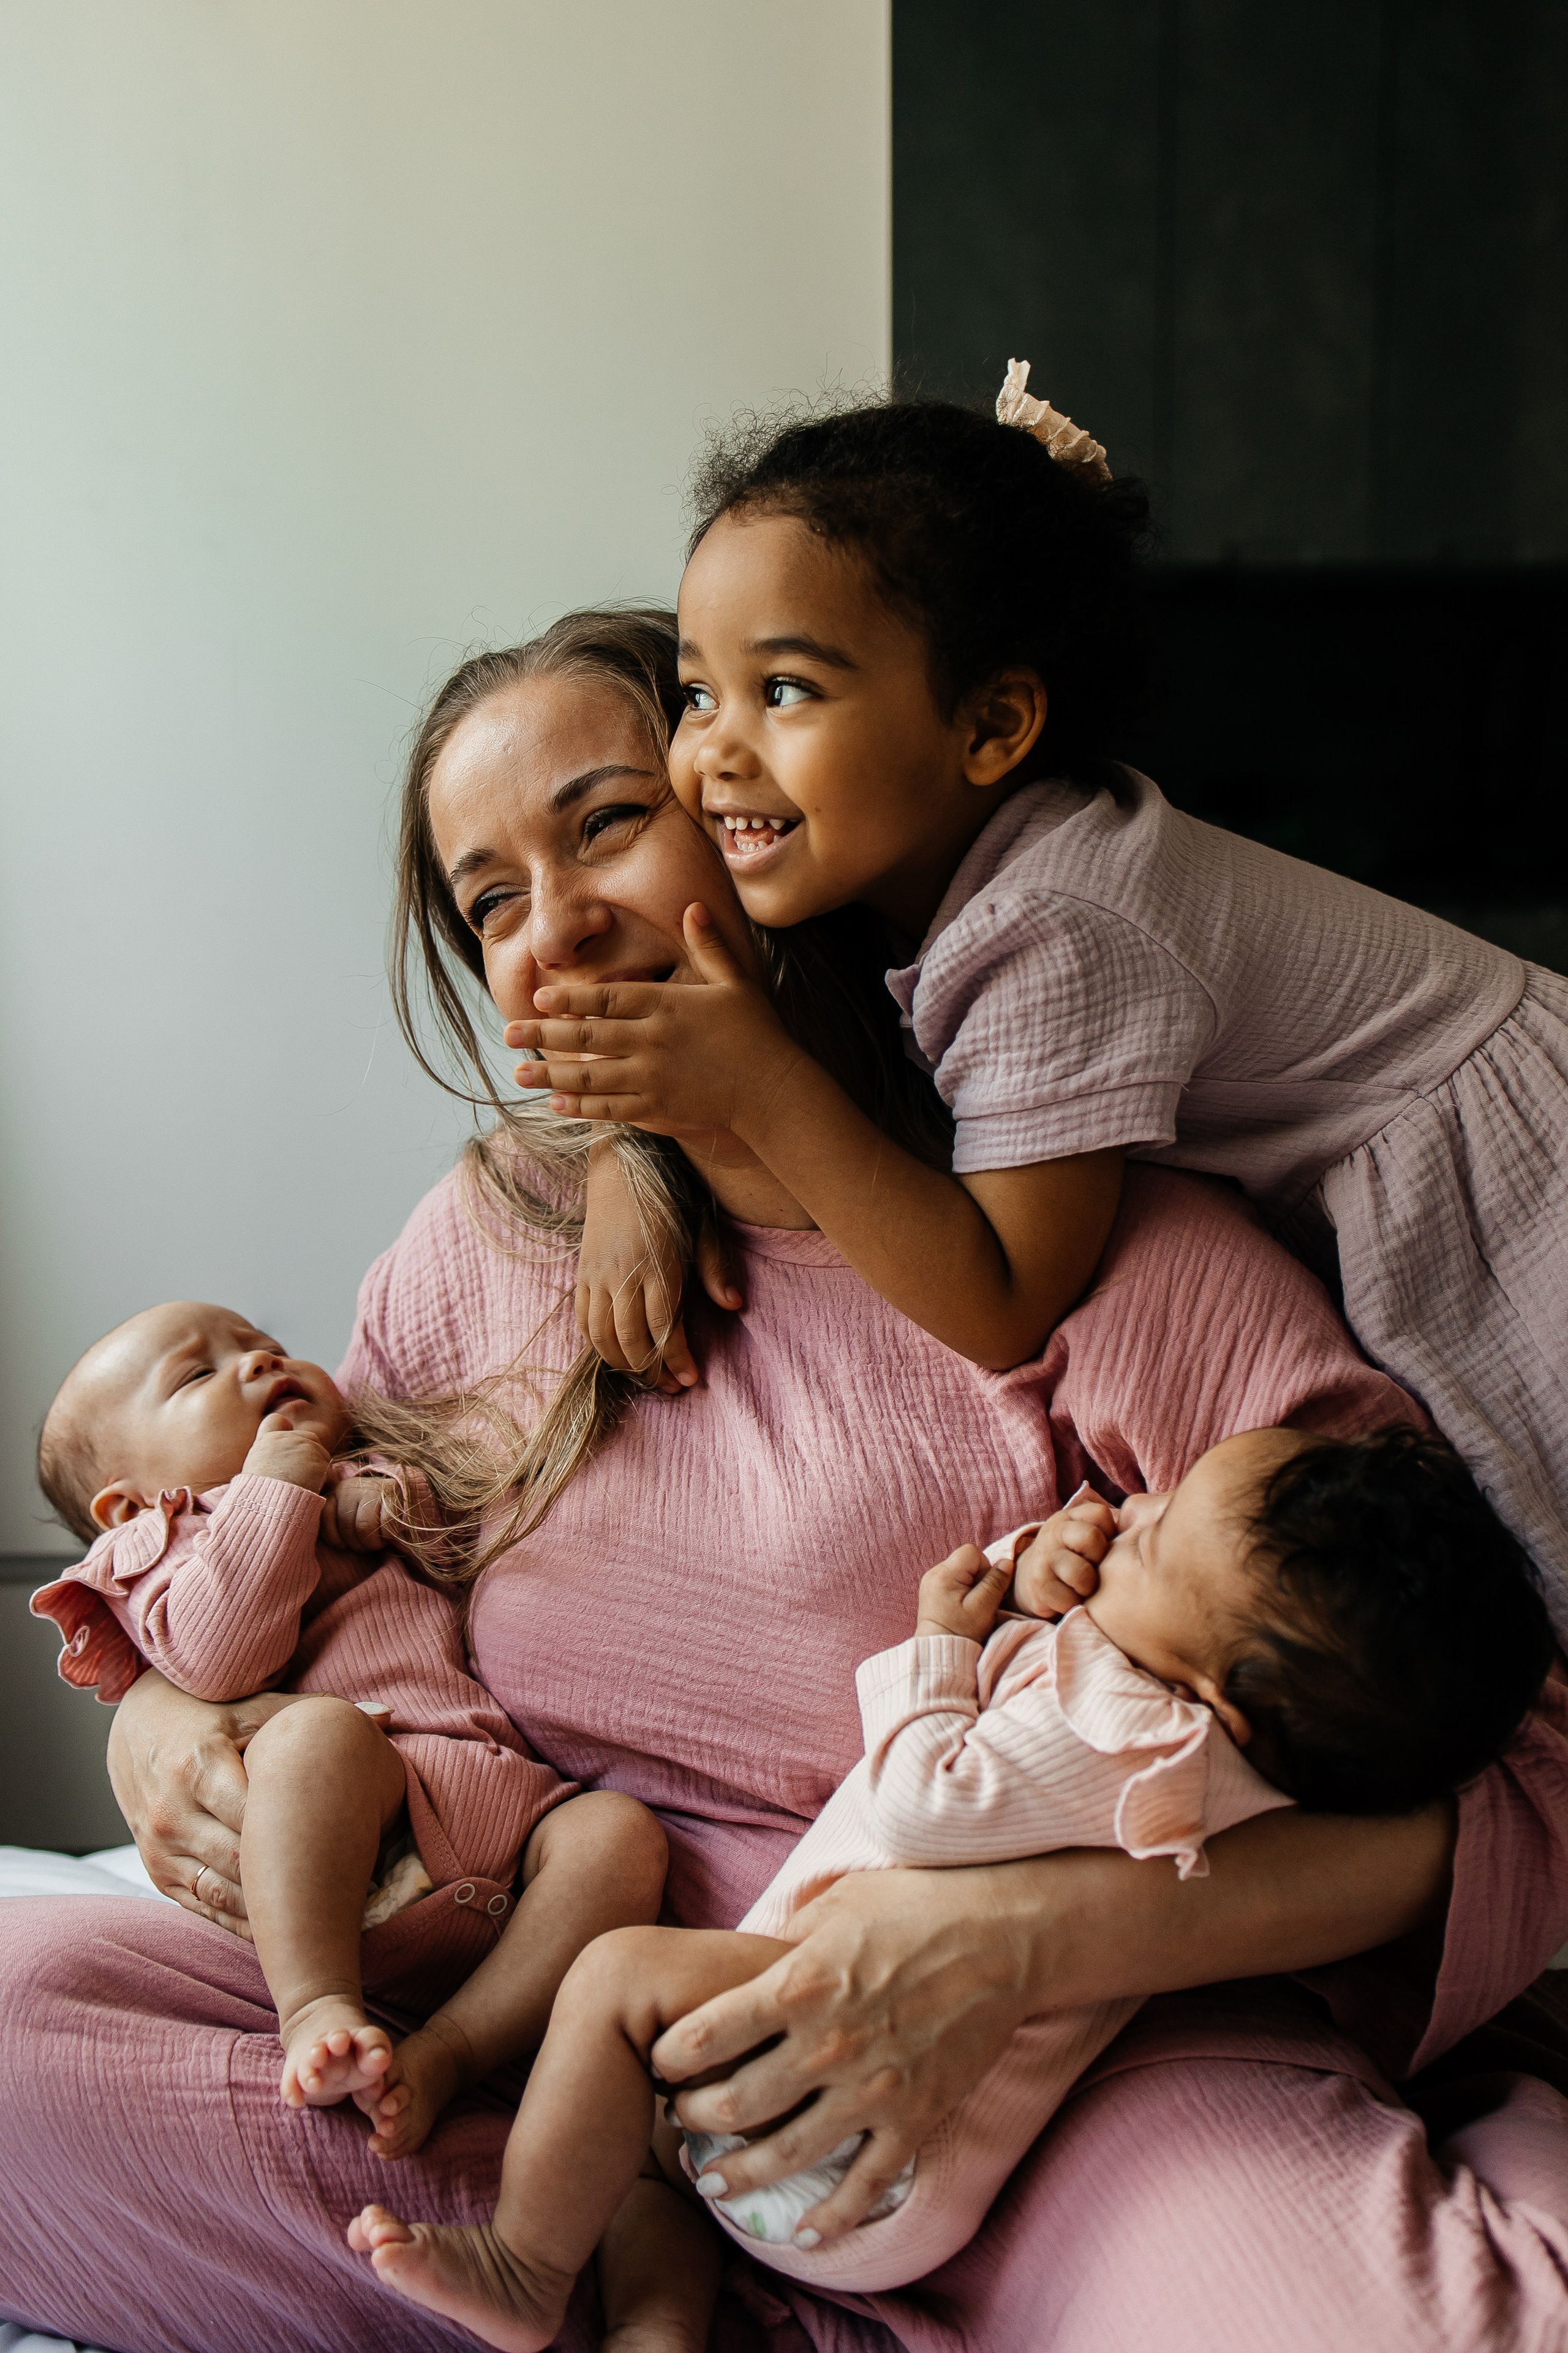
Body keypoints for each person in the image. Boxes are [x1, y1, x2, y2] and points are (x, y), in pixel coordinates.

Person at [2, 613, 1566, 2353]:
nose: (556, 931)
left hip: (1049, 2080)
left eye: (604, 824)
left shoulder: (1073, 1248)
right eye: (490, 899)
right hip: (566, 2079)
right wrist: (153, 1726)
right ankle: (627, 2287)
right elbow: (289, 1554)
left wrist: (1009, 1953)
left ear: (750, 808)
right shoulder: (489, 1244)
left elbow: (1514, 1762)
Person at [508, 373, 1568, 1638]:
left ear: (991, 725)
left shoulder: (1052, 925)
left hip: (1520, 1188)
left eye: (782, 690)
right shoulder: (911, 869)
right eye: (695, 692)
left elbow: (1003, 1294)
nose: (712, 751)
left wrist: (756, 1087)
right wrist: (636, 1151)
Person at [347, 1428, 1552, 2349]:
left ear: (1212, 1694)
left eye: (1153, 1527)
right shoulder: (1224, 1763)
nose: (1126, 1504)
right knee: (658, 2170)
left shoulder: (1120, 1728)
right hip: (870, 2188)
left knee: (617, 1982)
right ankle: (655, 2330)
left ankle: (521, 2263)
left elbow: (934, 1793)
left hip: (848, 2129)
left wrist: (934, 1645)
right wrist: (1061, 1581)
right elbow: (1073, 1673)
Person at [32, 1298, 665, 2149]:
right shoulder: (160, 1549)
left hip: (474, 1791)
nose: (258, 1363)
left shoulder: (359, 1469)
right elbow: (224, 1655)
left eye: (267, 1346)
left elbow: (482, 1563)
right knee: (315, 1735)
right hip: (348, 1836)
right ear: (124, 1503)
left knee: (616, 1834)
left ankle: (448, 2052)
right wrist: (275, 1490)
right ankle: (318, 2007)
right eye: (198, 1372)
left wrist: (382, 1508)